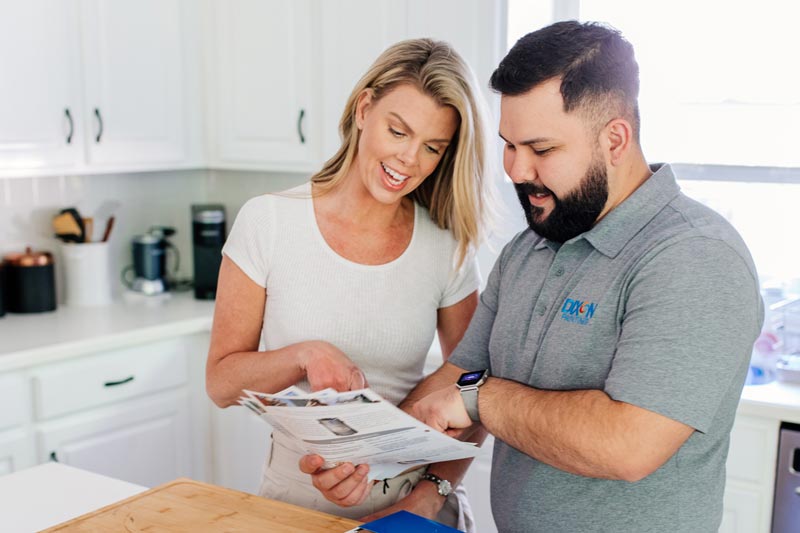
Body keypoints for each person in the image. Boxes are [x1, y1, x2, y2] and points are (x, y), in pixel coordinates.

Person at [319, 21, 765, 533]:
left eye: (542, 149)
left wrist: (480, 398)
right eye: (510, 145)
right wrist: (362, 451)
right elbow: (458, 374)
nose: (516, 169)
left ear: (615, 139)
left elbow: (628, 445)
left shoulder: (693, 257)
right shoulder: (529, 249)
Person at [205, 38, 495, 531]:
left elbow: (477, 384)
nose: (408, 160)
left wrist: (430, 495)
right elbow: (221, 384)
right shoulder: (269, 221)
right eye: (397, 131)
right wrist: (305, 354)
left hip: (415, 506)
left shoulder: (444, 244)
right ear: (364, 108)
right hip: (295, 501)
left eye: (432, 148)